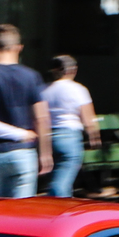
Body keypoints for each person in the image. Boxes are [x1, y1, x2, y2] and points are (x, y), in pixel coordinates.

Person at [0, 24, 51, 196]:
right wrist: (45, 153)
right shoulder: (32, 76)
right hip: (24, 152)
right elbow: (41, 118)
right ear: (19, 48)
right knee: (22, 215)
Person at [43, 55, 101, 198]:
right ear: (72, 70)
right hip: (70, 137)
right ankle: (56, 204)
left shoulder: (43, 90)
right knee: (62, 181)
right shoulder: (79, 89)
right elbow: (88, 118)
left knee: (60, 175)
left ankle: (63, 206)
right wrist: (94, 136)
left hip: (49, 137)